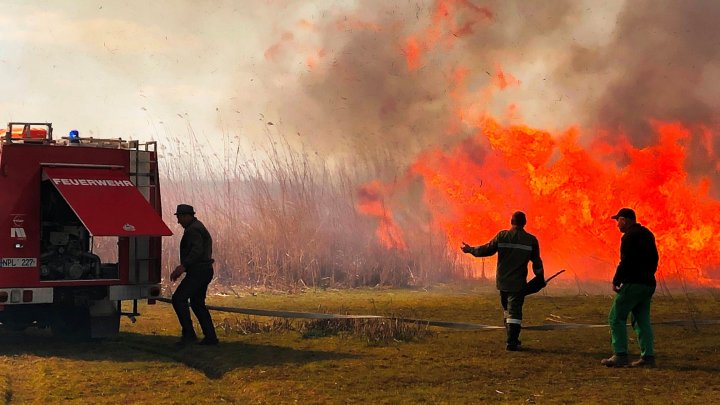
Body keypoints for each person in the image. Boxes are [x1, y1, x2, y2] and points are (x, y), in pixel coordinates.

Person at [461, 211, 544, 351]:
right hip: (518, 284)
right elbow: (537, 262)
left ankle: (512, 339)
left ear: (511, 221)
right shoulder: (531, 240)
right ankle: (512, 342)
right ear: (524, 223)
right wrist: (540, 277)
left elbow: (486, 249)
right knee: (514, 312)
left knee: (507, 310)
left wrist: (470, 250)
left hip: (503, 283)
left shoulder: (502, 236)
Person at [601, 208, 658, 367]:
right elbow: (655, 258)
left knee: (616, 316)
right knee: (642, 320)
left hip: (633, 283)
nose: (617, 224)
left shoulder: (629, 237)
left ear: (624, 220)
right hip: (648, 283)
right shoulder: (647, 234)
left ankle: (620, 354)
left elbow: (625, 261)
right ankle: (648, 357)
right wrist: (648, 274)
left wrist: (616, 280)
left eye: (618, 220)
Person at [170, 204, 219, 346]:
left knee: (178, 299)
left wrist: (183, 266)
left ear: (186, 216)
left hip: (198, 272)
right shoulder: (197, 226)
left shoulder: (193, 230)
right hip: (204, 271)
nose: (178, 221)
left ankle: (189, 334)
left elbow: (196, 251)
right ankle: (210, 337)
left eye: (179, 217)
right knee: (197, 304)